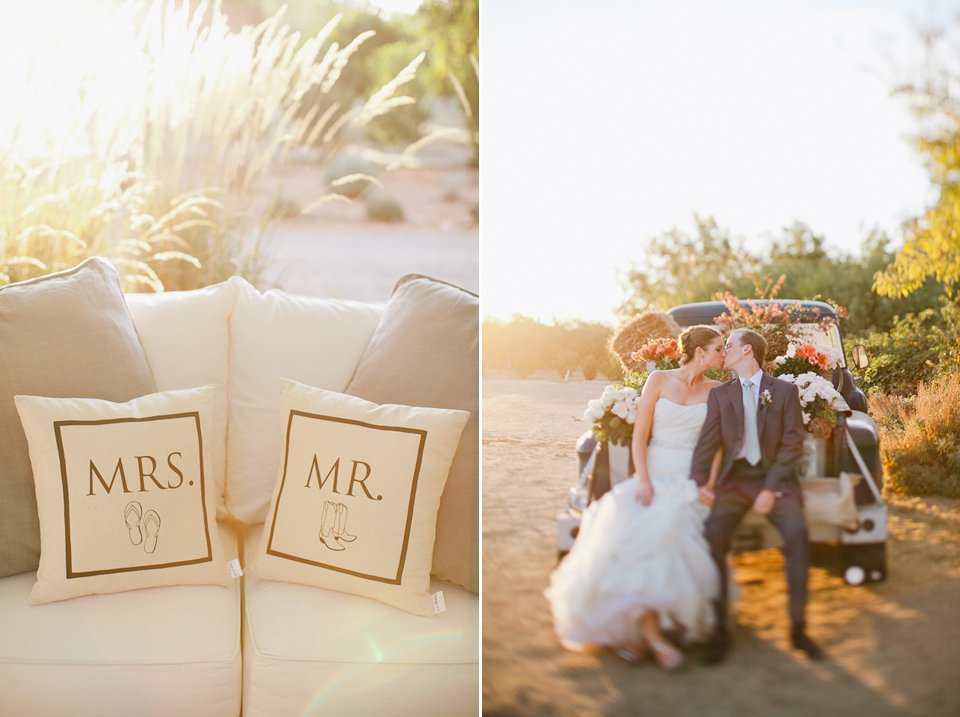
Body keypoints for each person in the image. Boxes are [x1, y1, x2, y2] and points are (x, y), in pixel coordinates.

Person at [545, 325, 725, 671]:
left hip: (690, 479)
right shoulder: (658, 379)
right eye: (718, 348)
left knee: (669, 534)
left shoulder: (716, 389)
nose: (722, 354)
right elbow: (640, 436)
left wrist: (711, 484)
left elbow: (718, 443)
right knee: (641, 536)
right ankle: (651, 635)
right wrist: (642, 480)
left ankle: (647, 632)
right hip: (654, 475)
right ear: (700, 352)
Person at [689, 328, 824, 663]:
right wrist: (698, 484)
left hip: (775, 480)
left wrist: (770, 488)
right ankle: (719, 631)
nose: (724, 352)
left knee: (797, 534)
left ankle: (798, 628)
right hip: (734, 482)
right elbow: (707, 444)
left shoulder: (784, 391)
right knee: (712, 540)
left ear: (746, 350)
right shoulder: (721, 395)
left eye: (728, 346)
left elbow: (793, 444)